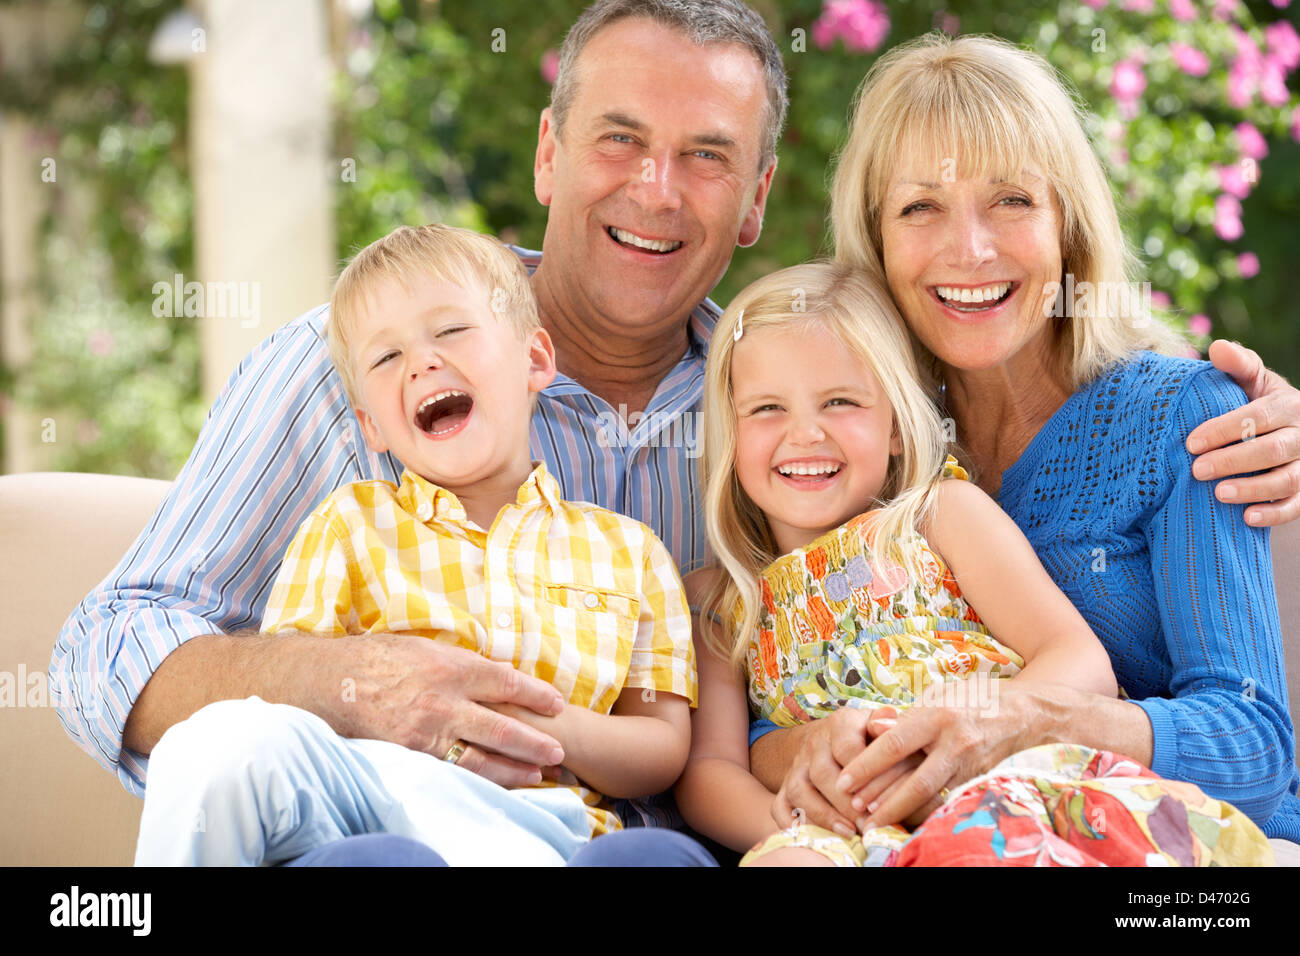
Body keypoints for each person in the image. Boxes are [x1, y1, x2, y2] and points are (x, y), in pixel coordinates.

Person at [50, 3, 1300, 865]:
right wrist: (343, 680)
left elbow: (1028, 368)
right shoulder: (357, 366)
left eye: (708, 156)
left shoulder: (802, 403)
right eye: (619, 139)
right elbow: (111, 636)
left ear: (760, 199)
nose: (657, 188)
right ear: (547, 153)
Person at [751, 33, 1300, 861]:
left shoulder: (1180, 416)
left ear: (1067, 226)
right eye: (919, 206)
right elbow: (798, 658)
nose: (968, 249)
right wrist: (810, 748)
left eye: (1011, 200)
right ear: (877, 242)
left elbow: (1254, 746)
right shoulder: (863, 441)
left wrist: (1027, 720)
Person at [673, 261, 1272, 866]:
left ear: (898, 428)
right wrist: (804, 831)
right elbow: (711, 771)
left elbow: (1078, 658)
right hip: (843, 829)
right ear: (730, 432)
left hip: (1003, 791)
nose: (805, 433)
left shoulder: (939, 515)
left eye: (840, 402)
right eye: (767, 409)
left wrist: (970, 744)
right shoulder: (719, 601)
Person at [133, 224, 695, 865]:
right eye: (385, 357)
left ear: (535, 361)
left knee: (652, 858)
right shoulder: (349, 525)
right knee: (223, 742)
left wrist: (524, 726)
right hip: (379, 806)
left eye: (451, 330)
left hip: (549, 823)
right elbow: (294, 710)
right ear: (370, 423)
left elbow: (660, 746)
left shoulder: (628, 550)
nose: (423, 361)